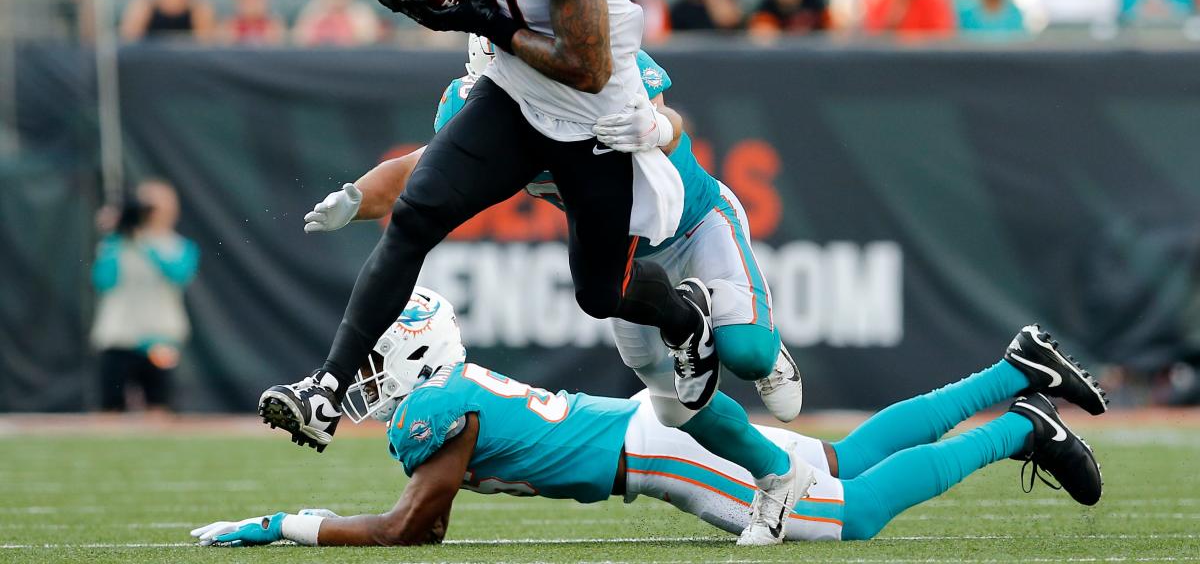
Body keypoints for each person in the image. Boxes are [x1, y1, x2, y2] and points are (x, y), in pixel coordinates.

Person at [260, 0, 751, 528]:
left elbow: (585, 66)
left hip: (590, 117)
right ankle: (325, 388)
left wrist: (486, 21)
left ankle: (685, 320)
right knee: (417, 215)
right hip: (515, 94)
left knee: (600, 290)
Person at [303, 36, 805, 545]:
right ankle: (776, 476)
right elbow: (422, 166)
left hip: (694, 222)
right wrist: (356, 197)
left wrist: (655, 127)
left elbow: (670, 122)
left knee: (746, 353)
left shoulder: (588, 60)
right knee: (676, 408)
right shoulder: (483, 105)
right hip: (625, 258)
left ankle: (741, 331)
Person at [193, 292, 1107, 548]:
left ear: (407, 359)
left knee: (851, 515)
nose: (358, 379)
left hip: (654, 456)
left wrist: (286, 526)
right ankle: (1010, 369)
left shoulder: (432, 409)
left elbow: (409, 533)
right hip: (648, 433)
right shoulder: (449, 395)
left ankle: (1021, 426)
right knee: (837, 457)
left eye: (366, 361)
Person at [91, 180, 199, 413]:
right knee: (110, 406)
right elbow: (103, 280)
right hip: (118, 335)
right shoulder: (116, 244)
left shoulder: (179, 246)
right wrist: (114, 236)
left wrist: (144, 241)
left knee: (158, 404)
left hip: (160, 336)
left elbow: (178, 274)